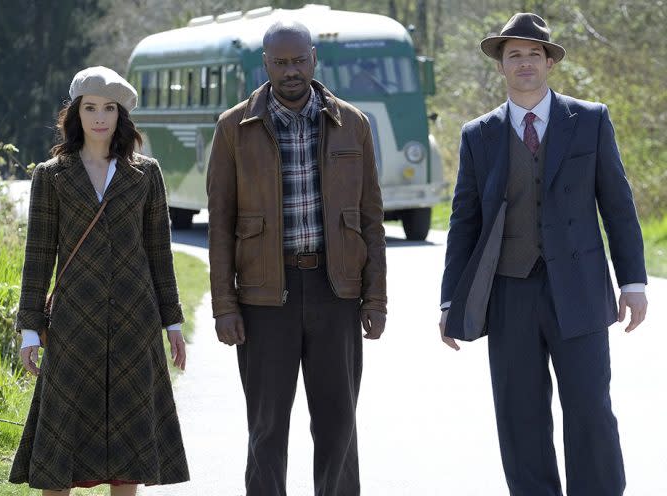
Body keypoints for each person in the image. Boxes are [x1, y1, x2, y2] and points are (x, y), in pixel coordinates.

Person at [439, 13, 648, 495]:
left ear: (550, 62)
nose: (525, 62)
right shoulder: (479, 135)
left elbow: (617, 205)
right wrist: (451, 301)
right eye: (515, 55)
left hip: (580, 292)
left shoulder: (590, 119)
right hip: (508, 293)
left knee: (590, 410)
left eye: (535, 54)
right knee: (519, 415)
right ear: (501, 66)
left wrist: (632, 283)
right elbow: (463, 223)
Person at [206, 21, 387, 496]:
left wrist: (376, 300)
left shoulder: (353, 123)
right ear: (264, 64)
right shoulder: (233, 128)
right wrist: (224, 306)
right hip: (265, 300)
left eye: (299, 60)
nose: (291, 71)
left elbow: (371, 220)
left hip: (336, 293)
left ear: (314, 59)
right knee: (266, 431)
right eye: (281, 62)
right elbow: (220, 225)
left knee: (338, 429)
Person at [10, 66, 189, 495]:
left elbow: (159, 254)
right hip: (72, 324)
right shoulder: (51, 175)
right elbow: (38, 257)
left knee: (129, 449)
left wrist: (173, 323)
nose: (99, 118)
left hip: (135, 322)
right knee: (59, 449)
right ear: (75, 113)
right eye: (90, 108)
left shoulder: (146, 173)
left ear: (121, 115)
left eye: (109, 108)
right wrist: (30, 331)